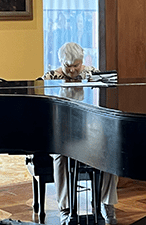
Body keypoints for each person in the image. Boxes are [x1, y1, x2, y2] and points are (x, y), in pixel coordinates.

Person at [41, 42, 118, 225]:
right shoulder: (50, 77)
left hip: (89, 130)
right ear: (61, 62)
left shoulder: (92, 73)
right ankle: (65, 208)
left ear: (82, 61)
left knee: (112, 151)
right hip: (62, 132)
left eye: (77, 65)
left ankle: (106, 203)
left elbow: (104, 100)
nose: (74, 70)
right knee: (60, 155)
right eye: (69, 66)